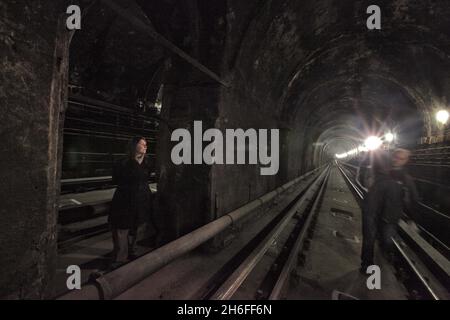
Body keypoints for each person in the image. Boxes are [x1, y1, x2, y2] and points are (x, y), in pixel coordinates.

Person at [109, 136, 158, 267]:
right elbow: (115, 179)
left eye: (146, 144)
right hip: (124, 199)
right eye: (142, 144)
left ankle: (134, 251)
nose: (145, 146)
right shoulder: (122, 162)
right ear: (134, 146)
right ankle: (120, 258)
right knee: (121, 229)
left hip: (142, 199)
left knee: (140, 226)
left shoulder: (148, 162)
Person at [360, 151, 403, 272]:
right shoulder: (392, 180)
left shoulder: (372, 175)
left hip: (371, 210)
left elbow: (363, 183)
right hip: (382, 213)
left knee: (369, 238)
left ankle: (366, 265)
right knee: (381, 238)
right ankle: (375, 262)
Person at [390, 148, 420, 223]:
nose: (397, 160)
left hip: (397, 215)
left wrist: (411, 217)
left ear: (405, 161)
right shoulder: (382, 174)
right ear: (392, 157)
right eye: (396, 157)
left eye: (401, 159)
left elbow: (413, 199)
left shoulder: (407, 179)